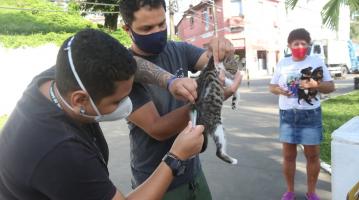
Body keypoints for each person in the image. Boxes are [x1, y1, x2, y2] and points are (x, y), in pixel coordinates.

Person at [0, 29, 205, 200]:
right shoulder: (61, 152)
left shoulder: (67, 74)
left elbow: (133, 65)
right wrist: (175, 157)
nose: (127, 105)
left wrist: (170, 81)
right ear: (79, 99)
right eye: (116, 101)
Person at [119, 0, 242, 199]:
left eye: (161, 24)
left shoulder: (178, 49)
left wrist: (224, 53)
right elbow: (157, 128)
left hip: (193, 171)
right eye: (147, 28)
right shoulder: (123, 71)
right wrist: (207, 101)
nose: (156, 32)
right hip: (157, 179)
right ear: (127, 29)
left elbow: (217, 64)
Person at [269, 28, 335, 200]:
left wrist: (316, 85)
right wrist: (279, 90)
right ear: (289, 45)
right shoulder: (283, 63)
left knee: (312, 155)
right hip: (288, 115)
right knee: (289, 156)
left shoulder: (317, 61)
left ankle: (311, 192)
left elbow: (331, 86)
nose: (300, 46)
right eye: (296, 43)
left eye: (303, 43)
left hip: (310, 114)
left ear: (308, 45)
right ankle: (290, 191)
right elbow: (272, 86)